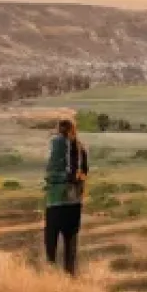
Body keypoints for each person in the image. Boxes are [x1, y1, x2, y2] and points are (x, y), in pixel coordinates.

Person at [44, 117, 88, 275]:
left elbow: (48, 171)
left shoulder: (55, 145)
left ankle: (50, 278)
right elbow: (84, 174)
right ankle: (70, 279)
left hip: (54, 201)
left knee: (51, 244)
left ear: (58, 129)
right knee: (70, 244)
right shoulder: (80, 147)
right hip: (73, 202)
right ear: (73, 130)